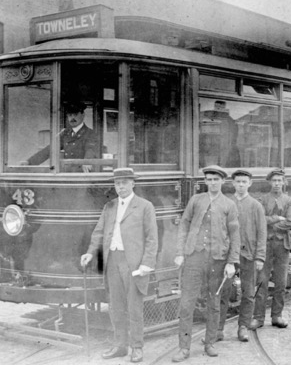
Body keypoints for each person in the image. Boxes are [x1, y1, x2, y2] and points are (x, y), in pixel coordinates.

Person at [80, 168, 157, 363]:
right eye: (117, 183)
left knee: (134, 307)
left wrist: (147, 264)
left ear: (133, 183)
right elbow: (98, 232)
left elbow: (152, 238)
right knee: (115, 306)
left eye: (124, 182)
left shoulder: (145, 206)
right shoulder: (110, 206)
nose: (120, 186)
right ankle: (120, 346)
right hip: (112, 261)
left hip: (133, 264)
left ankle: (137, 347)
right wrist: (90, 253)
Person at [172, 165, 240, 362]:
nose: (211, 183)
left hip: (217, 260)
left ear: (222, 181)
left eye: (215, 180)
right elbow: (184, 225)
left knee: (214, 303)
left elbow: (235, 235)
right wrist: (180, 252)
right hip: (194, 258)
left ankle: (210, 342)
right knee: (186, 304)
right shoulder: (196, 200)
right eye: (208, 179)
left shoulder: (229, 205)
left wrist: (231, 262)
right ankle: (184, 348)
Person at [218, 169, 267, 342]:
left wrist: (260, 257)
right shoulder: (226, 203)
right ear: (233, 184)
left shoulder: (256, 206)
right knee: (224, 291)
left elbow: (262, 233)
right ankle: (218, 329)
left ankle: (243, 327)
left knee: (248, 293)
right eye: (238, 182)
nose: (240, 185)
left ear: (250, 184)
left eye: (244, 182)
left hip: (249, 255)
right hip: (229, 255)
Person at [250, 168, 291, 331]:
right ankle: (258, 317)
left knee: (281, 283)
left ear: (284, 182)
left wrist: (271, 223)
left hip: (282, 247)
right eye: (274, 180)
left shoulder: (289, 201)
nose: (277, 183)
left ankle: (277, 316)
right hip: (266, 246)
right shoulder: (263, 200)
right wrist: (277, 218)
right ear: (270, 182)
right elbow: (259, 221)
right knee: (261, 282)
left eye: (280, 180)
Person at [27, 101, 97, 172]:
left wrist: (87, 162)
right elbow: (50, 149)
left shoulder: (90, 133)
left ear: (83, 115)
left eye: (75, 114)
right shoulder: (65, 133)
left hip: (82, 175)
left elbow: (90, 150)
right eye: (70, 115)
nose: (72, 118)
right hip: (67, 174)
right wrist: (29, 163)